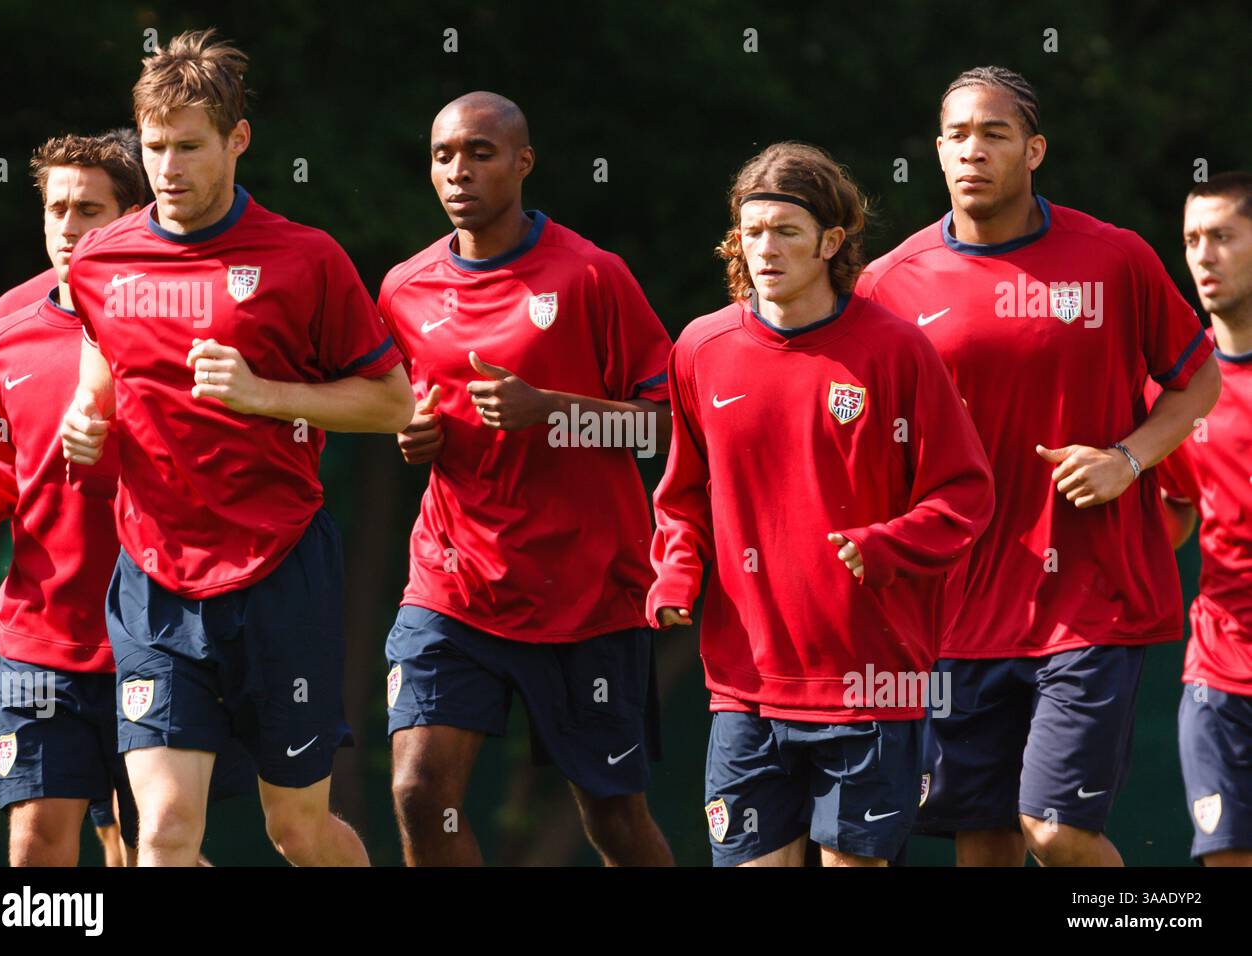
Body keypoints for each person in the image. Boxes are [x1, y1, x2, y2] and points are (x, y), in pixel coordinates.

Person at [60, 30, 414, 866]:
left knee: (295, 830)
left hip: (279, 569)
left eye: (190, 147)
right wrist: (88, 410)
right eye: (154, 149)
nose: (169, 168)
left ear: (237, 140)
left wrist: (265, 394)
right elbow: (100, 352)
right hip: (154, 577)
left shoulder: (306, 259)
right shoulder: (103, 259)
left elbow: (392, 403)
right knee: (167, 828)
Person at [857, 65, 1221, 866]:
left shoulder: (1114, 258)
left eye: (994, 133)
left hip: (1088, 601)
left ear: (1035, 150)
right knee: (985, 842)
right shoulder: (886, 285)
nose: (972, 152)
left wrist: (1129, 460)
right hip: (954, 612)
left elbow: (1199, 379)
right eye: (956, 135)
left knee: (1054, 831)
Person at [649, 142, 993, 866]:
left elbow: (966, 492)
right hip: (746, 684)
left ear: (832, 242)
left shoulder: (896, 350)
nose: (765, 249)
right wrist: (676, 575)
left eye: (787, 232)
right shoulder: (701, 348)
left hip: (869, 682)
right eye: (752, 232)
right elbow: (683, 496)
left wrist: (886, 545)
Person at [379, 91, 675, 865]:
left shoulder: (591, 277)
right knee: (419, 792)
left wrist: (549, 409)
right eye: (443, 155)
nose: (458, 171)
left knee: (614, 820)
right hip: (454, 581)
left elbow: (664, 426)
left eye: (479, 152)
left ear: (522, 163)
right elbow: (394, 406)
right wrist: (409, 435)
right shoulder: (403, 290)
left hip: (587, 590)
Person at [0, 132, 146, 865]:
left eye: (88, 210)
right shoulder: (7, 321)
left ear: (133, 217)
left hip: (156, 634)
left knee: (151, 848)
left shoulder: (178, 318)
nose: (68, 229)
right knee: (36, 846)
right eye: (56, 209)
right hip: (38, 636)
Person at [1156, 172, 1252, 866]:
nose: (1203, 255)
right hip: (1217, 678)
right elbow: (1177, 512)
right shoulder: (1173, 393)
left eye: (1223, 236)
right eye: (1192, 238)